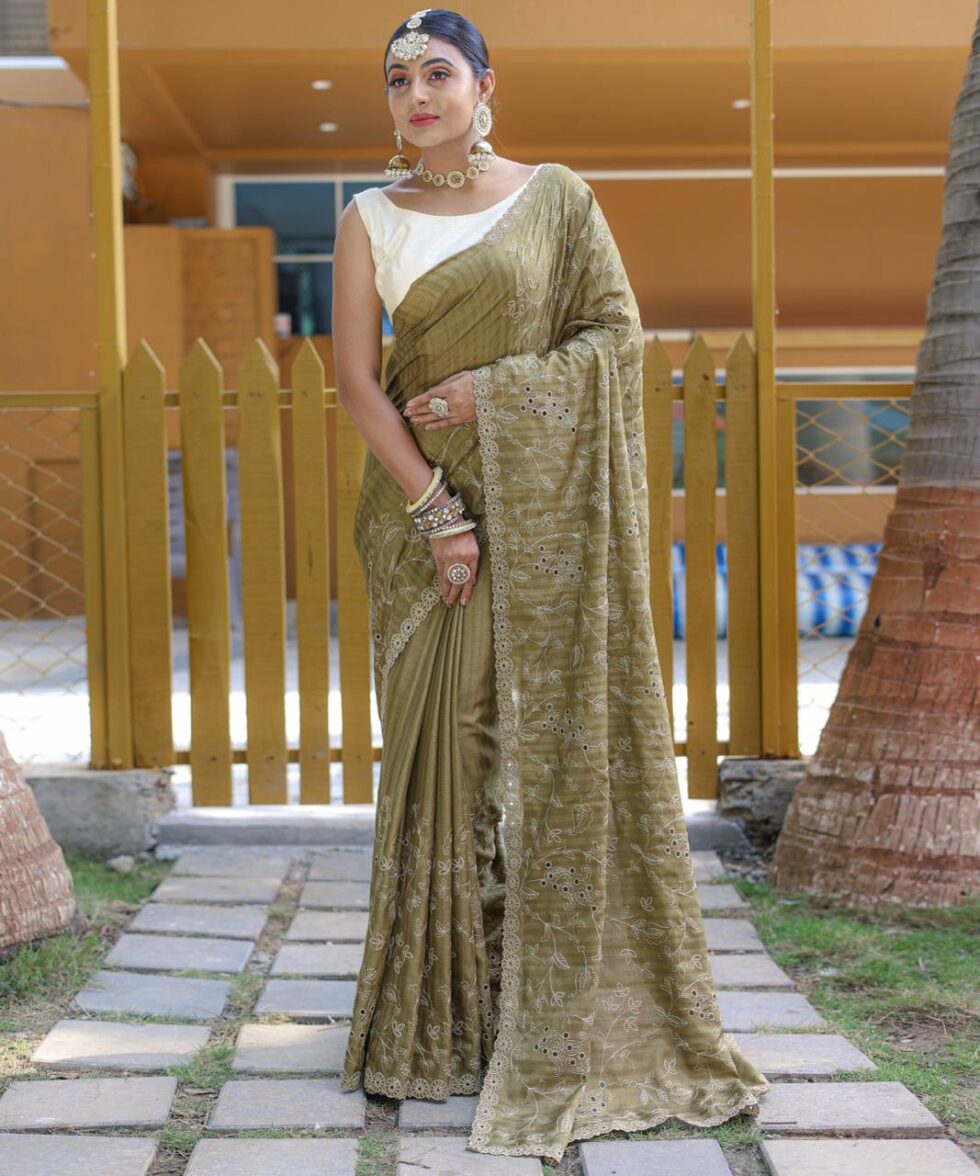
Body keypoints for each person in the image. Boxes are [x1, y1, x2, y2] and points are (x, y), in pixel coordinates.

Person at [330, 7, 771, 1163]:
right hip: (418, 520)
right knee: (442, 748)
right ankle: (441, 1021)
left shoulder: (556, 201)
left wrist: (495, 393)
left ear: (484, 86)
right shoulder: (368, 216)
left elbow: (613, 340)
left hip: (540, 519)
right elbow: (357, 382)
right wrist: (437, 514)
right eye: (396, 80)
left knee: (524, 748)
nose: (416, 95)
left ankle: (542, 1008)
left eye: (437, 73)